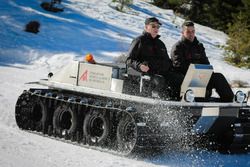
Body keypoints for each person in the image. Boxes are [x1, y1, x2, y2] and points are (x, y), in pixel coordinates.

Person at [171, 21, 234, 102]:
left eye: (193, 31)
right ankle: (192, 98)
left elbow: (206, 63)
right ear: (183, 33)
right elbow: (178, 65)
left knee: (218, 77)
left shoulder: (199, 46)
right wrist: (194, 70)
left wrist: (203, 72)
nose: (191, 34)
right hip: (186, 76)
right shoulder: (178, 47)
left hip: (201, 75)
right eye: (188, 32)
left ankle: (230, 102)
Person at [126, 17, 183, 99]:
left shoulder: (160, 44)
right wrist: (139, 66)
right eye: (153, 26)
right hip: (147, 73)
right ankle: (161, 105)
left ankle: (178, 102)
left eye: (158, 27)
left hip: (161, 72)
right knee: (160, 80)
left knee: (179, 78)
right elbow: (129, 60)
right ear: (146, 27)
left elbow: (167, 61)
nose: (156, 28)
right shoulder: (139, 41)